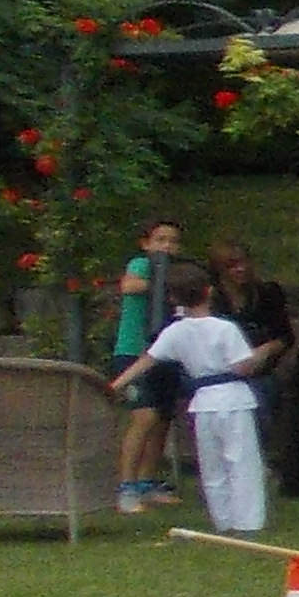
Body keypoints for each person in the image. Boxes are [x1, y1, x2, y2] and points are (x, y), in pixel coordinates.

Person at [117, 266, 265, 532]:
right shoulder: (225, 328)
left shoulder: (175, 331)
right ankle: (248, 522)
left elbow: (147, 360)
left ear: (174, 299)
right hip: (233, 398)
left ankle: (223, 520)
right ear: (209, 292)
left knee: (212, 466)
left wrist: (116, 384)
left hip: (203, 402)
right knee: (241, 461)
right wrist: (257, 357)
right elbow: (242, 366)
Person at [113, 213, 187, 509]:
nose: (167, 246)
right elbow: (129, 286)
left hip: (166, 353)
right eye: (160, 240)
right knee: (144, 416)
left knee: (163, 418)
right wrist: (160, 284)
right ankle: (126, 485)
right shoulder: (141, 265)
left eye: (173, 241)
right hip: (133, 351)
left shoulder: (179, 273)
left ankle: (147, 481)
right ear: (146, 243)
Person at [203, 237, 294, 472]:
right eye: (232, 266)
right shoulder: (211, 299)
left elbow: (285, 336)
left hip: (260, 368)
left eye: (244, 262)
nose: (240, 269)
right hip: (221, 371)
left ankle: (254, 459)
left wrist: (265, 350)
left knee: (261, 394)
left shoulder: (267, 293)